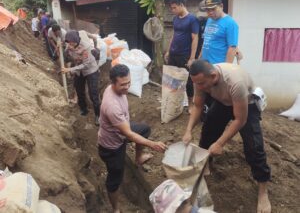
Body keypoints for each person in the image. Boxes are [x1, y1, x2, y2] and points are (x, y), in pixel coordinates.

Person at [182, 60, 271, 213]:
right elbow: (197, 106)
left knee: (254, 146)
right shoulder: (200, 80)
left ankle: (263, 190)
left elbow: (240, 120)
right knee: (208, 131)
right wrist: (188, 130)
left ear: (214, 75)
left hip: (246, 104)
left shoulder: (235, 83)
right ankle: (205, 163)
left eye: (202, 84)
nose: (200, 87)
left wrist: (220, 143)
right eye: (197, 84)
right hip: (223, 101)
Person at [98, 64, 167, 213]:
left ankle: (138, 157)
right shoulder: (111, 106)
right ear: (112, 82)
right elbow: (128, 134)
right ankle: (116, 209)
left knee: (144, 130)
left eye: (129, 82)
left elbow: (128, 131)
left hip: (122, 131)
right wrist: (152, 144)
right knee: (115, 179)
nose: (127, 86)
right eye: (123, 84)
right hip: (112, 146)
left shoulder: (116, 90)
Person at [164, 0, 199, 112]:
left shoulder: (192, 19)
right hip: (173, 54)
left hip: (184, 55)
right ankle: (174, 103)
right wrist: (168, 51)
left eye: (174, 8)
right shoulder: (175, 19)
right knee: (172, 79)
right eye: (171, 8)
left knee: (188, 81)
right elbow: (174, 35)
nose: (172, 10)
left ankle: (190, 105)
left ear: (181, 5)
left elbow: (195, 38)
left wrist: (192, 58)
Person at [61, 30, 100, 125]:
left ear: (76, 41)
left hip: (90, 70)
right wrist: (63, 48)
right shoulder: (69, 46)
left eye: (71, 43)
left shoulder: (85, 48)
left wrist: (69, 70)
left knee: (93, 93)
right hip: (79, 71)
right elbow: (67, 54)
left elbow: (86, 65)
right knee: (79, 90)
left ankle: (98, 115)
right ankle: (83, 109)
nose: (69, 45)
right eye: (68, 43)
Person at [199, 0, 239, 64]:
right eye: (208, 10)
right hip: (205, 65)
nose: (210, 12)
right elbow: (206, 40)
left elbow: (232, 48)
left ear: (221, 6)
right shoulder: (209, 20)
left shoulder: (230, 23)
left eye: (213, 9)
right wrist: (200, 58)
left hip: (218, 67)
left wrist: (226, 69)